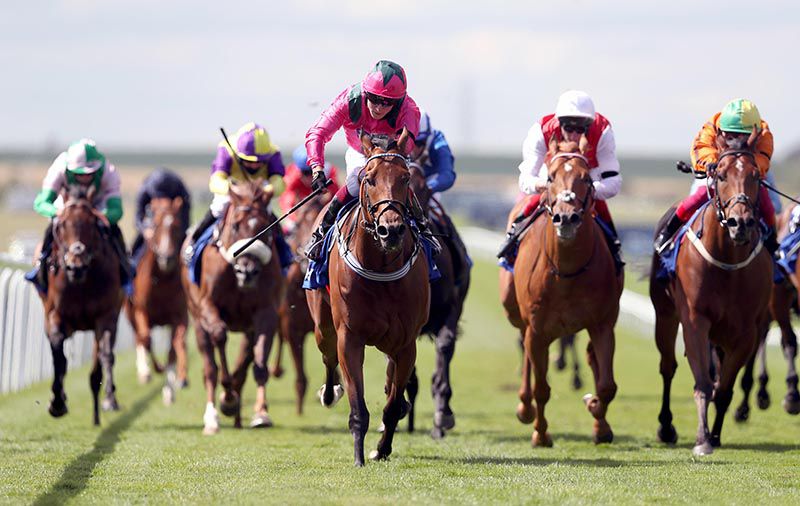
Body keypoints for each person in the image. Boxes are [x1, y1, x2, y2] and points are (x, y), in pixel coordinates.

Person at [303, 60, 421, 260]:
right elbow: (317, 133)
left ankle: (424, 231)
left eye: (387, 102)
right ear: (366, 92)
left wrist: (391, 158)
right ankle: (322, 231)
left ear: (399, 101)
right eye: (374, 98)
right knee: (357, 181)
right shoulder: (349, 100)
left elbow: (407, 144)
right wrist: (317, 168)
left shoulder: (409, 109)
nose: (379, 107)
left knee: (396, 182)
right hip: (360, 152)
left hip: (392, 153)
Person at [496, 90, 623, 265]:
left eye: (580, 129)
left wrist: (588, 189)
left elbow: (613, 182)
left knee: (594, 201)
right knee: (536, 199)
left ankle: (614, 248)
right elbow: (526, 179)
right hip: (550, 172)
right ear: (559, 123)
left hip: (586, 174)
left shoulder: (603, 131)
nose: (574, 135)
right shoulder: (541, 131)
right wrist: (544, 186)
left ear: (590, 125)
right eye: (568, 128)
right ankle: (512, 237)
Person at [653, 98, 777, 253]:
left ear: (755, 133)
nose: (738, 141)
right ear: (722, 131)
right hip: (719, 173)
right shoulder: (711, 127)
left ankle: (773, 241)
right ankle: (667, 234)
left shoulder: (763, 132)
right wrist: (711, 162)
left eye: (744, 136)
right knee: (698, 198)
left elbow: (763, 157)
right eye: (732, 136)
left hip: (745, 175)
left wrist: (746, 169)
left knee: (767, 203)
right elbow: (702, 147)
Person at [31, 138, 130, 291]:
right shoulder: (59, 168)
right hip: (65, 207)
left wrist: (103, 216)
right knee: (53, 229)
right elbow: (41, 202)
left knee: (115, 231)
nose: (84, 177)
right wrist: (58, 212)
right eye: (79, 174)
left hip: (96, 208)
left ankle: (125, 271)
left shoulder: (109, 172)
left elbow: (117, 210)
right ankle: (41, 268)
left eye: (89, 173)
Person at [183, 122, 285, 263]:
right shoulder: (227, 148)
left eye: (259, 162)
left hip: (258, 195)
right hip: (233, 192)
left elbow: (279, 181)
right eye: (248, 161)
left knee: (268, 214)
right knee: (219, 207)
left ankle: (285, 254)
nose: (254, 165)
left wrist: (268, 190)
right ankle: (194, 242)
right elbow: (216, 180)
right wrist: (232, 191)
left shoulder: (273, 152)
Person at [130, 167, 191, 263]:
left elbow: (186, 219)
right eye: (159, 199)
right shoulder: (145, 190)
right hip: (152, 221)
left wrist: (179, 232)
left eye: (165, 199)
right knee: (136, 249)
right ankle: (132, 266)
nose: (162, 203)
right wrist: (145, 230)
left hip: (174, 223)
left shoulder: (180, 190)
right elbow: (138, 218)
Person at [278, 145, 341, 216]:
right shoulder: (292, 176)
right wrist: (292, 218)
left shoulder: (329, 173)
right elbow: (287, 202)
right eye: (306, 173)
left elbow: (336, 197)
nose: (310, 177)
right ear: (299, 171)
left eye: (313, 172)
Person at [409, 108, 456, 195]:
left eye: (419, 143)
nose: (414, 148)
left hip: (427, 180)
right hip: (402, 181)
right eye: (410, 141)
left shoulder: (439, 144)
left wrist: (426, 188)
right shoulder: (394, 137)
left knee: (432, 199)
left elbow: (447, 175)